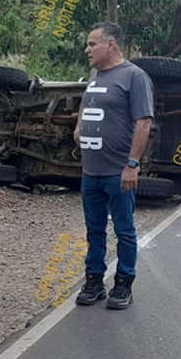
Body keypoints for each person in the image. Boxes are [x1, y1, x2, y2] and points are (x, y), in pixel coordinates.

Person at [73, 22, 154, 310]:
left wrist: (132, 164)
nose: (87, 49)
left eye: (92, 44)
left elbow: (143, 122)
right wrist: (79, 126)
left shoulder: (134, 77)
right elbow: (86, 101)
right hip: (90, 172)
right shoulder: (95, 75)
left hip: (118, 172)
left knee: (124, 230)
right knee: (94, 230)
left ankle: (124, 283)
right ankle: (94, 281)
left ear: (111, 45)